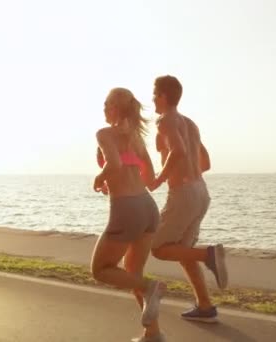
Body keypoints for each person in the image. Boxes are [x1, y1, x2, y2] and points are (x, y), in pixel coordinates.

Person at [148, 75, 228, 323]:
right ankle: (205, 306)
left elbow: (178, 152)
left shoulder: (165, 121)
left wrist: (159, 179)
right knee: (184, 252)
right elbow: (205, 162)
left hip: (183, 193)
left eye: (154, 93)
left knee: (158, 248)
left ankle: (209, 256)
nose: (152, 98)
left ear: (162, 96)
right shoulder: (190, 124)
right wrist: (188, 178)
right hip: (201, 192)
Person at [91, 87, 167, 342]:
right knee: (132, 273)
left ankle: (151, 288)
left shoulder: (104, 134)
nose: (103, 107)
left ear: (115, 107)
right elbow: (149, 174)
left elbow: (115, 164)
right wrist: (115, 182)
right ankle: (153, 333)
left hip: (127, 209)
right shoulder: (136, 136)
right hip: (148, 206)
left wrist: (100, 177)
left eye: (106, 103)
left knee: (101, 269)